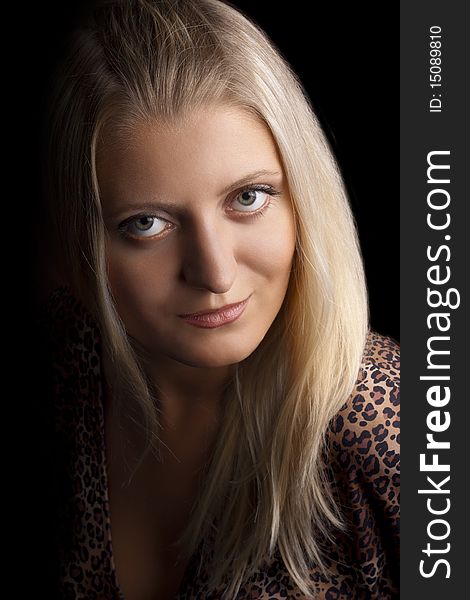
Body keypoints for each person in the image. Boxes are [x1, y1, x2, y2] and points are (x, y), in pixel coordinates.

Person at [40, 0, 400, 598]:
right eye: (146, 224)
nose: (214, 271)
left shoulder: (398, 424)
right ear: (81, 239)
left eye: (249, 198)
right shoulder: (60, 362)